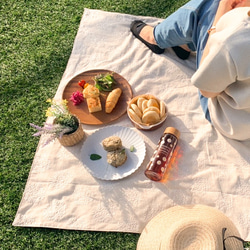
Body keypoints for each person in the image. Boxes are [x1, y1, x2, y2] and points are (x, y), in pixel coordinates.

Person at [130, 0, 250, 141]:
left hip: (231, 121)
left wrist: (220, 15)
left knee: (210, 8)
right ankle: (182, 44)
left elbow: (207, 90)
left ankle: (156, 37)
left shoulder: (234, 38)